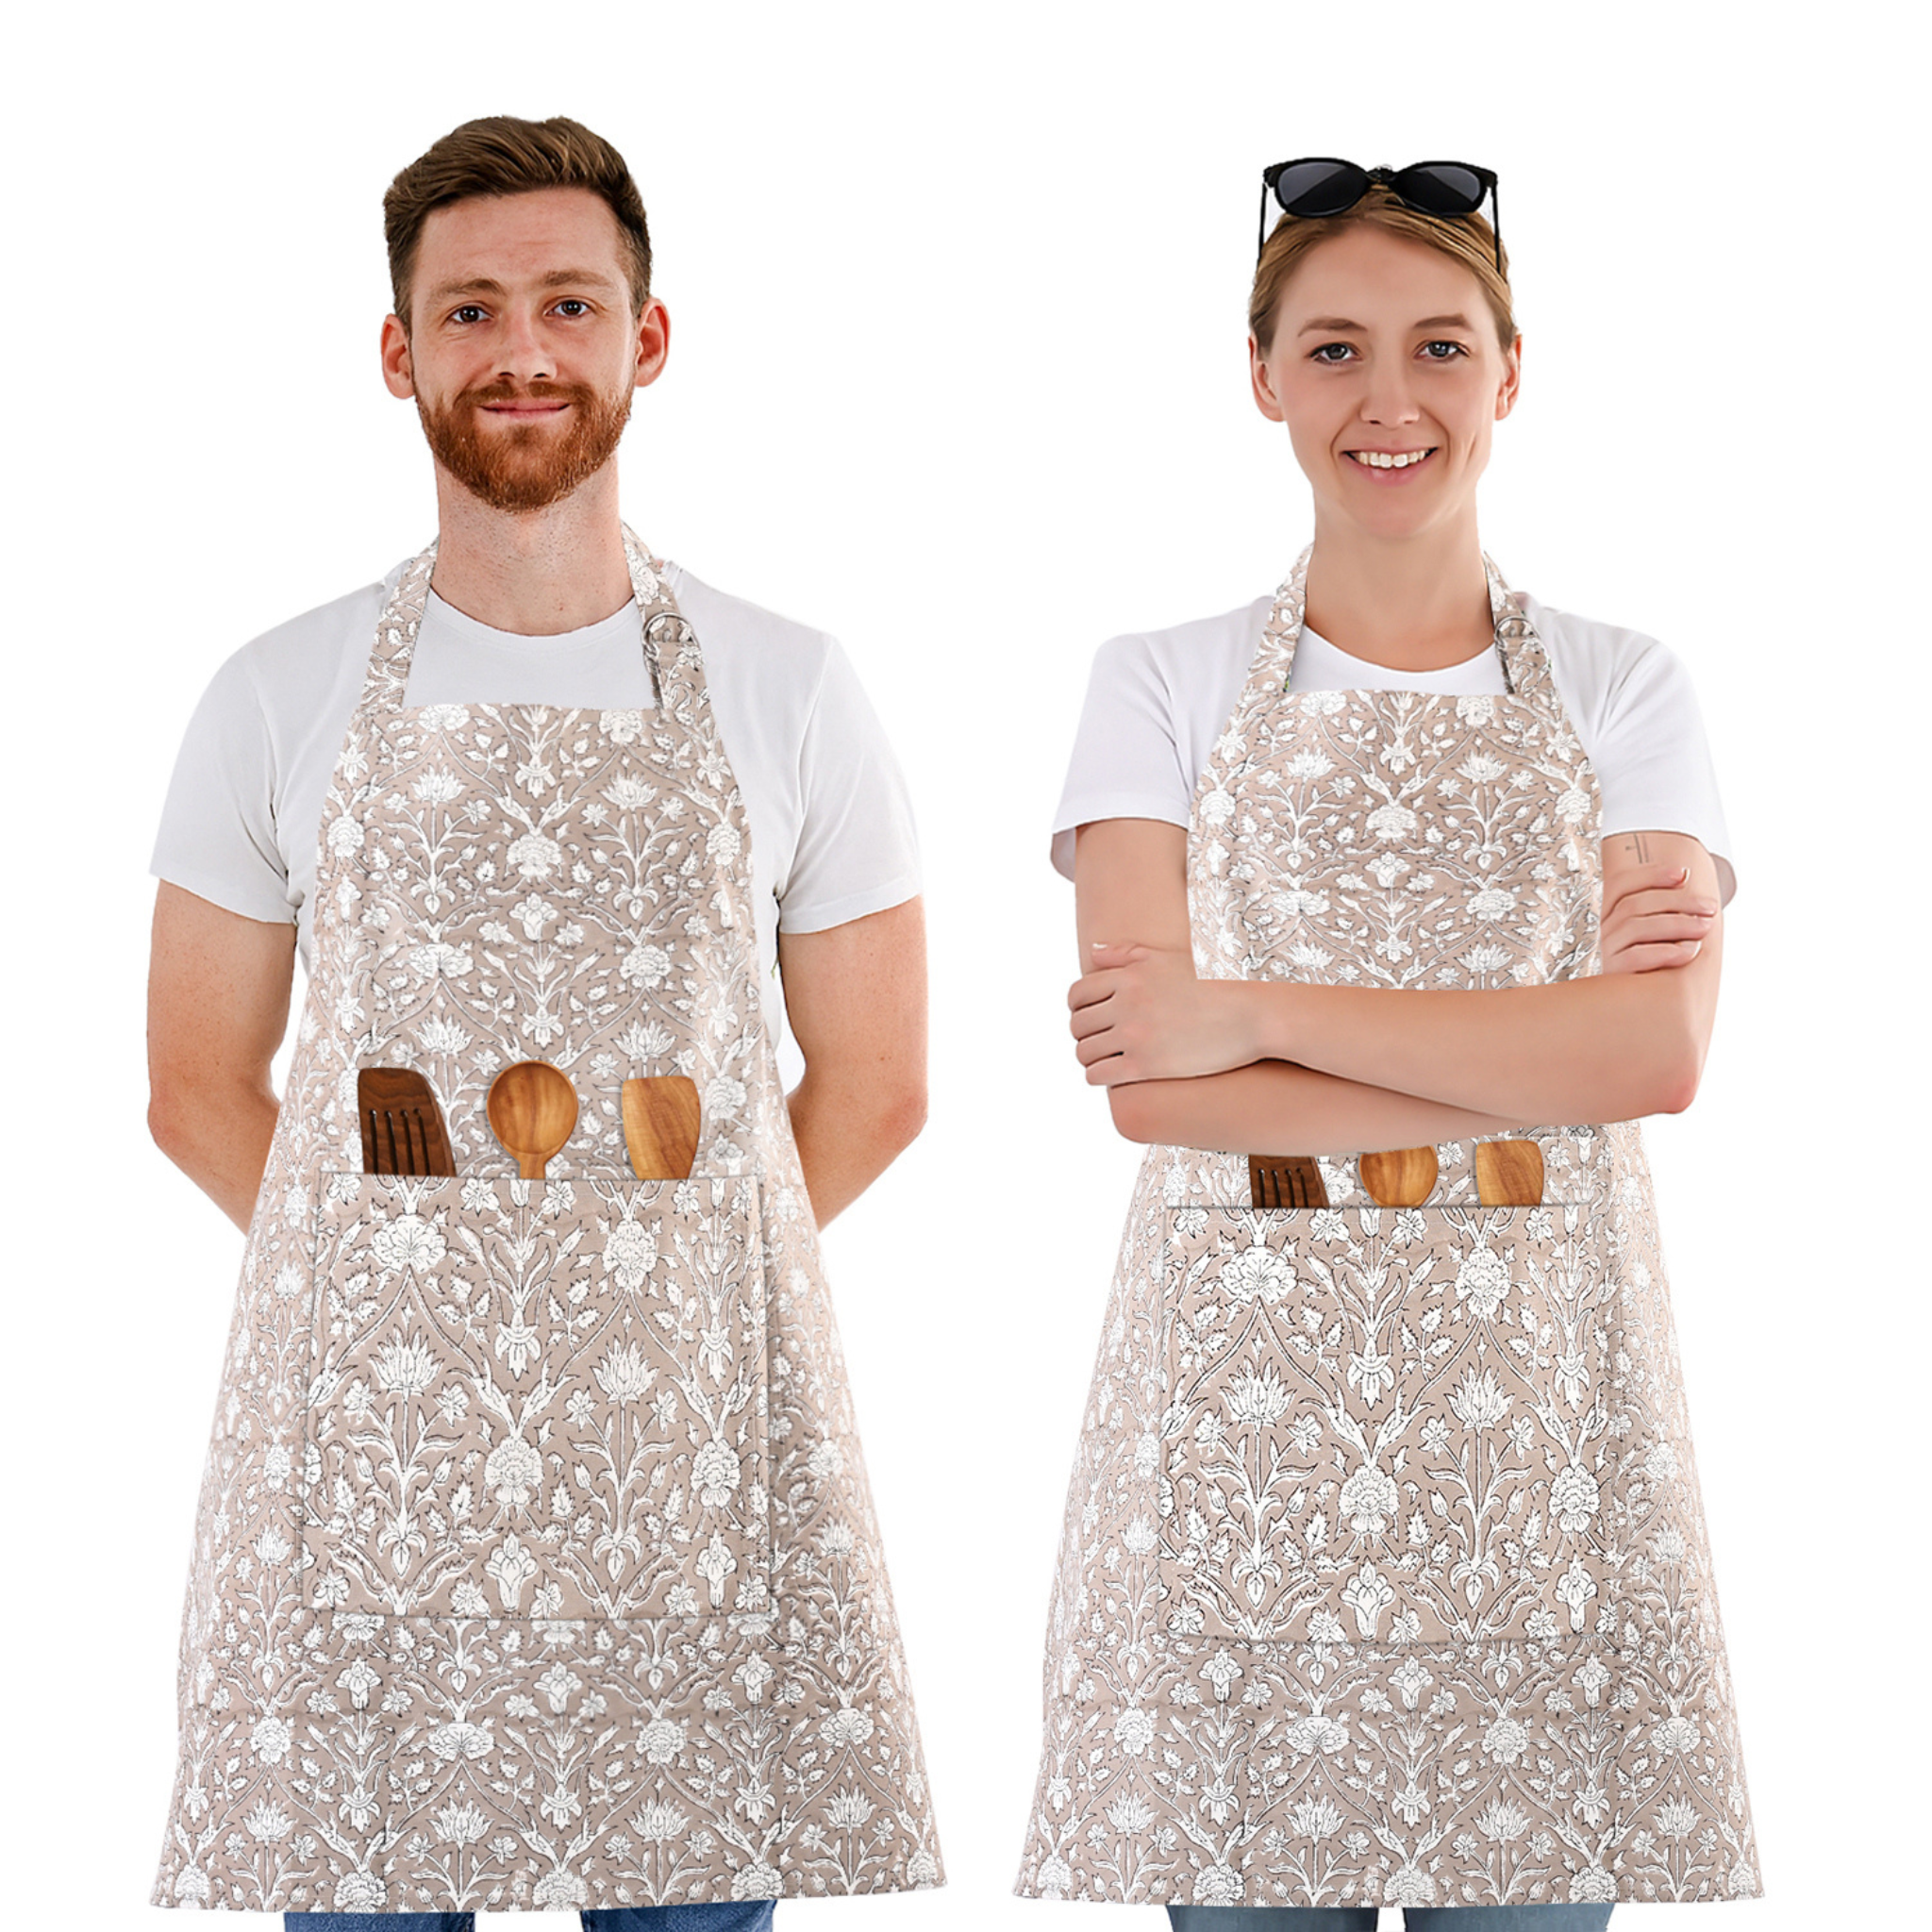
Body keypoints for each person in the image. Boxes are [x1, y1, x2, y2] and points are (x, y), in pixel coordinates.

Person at [145, 115, 943, 1925]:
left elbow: (881, 1084)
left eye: (569, 304)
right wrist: (400, 1302)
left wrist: (654, 1303)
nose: (523, 353)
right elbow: (194, 1083)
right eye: (472, 311)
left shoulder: (793, 685)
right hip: (368, 1453)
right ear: (398, 353)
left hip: (689, 1450)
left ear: (645, 341)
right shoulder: (271, 695)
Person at [1012, 161, 1761, 1924]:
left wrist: (1253, 1013)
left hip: (1539, 1428)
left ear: (1513, 372)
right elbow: (1152, 1090)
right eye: (1335, 349)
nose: (1389, 399)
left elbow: (1653, 1057)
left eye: (1439, 346)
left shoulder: (1626, 683)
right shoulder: (1159, 679)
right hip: (1241, 1431)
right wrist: (1525, 1049)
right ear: (1263, 377)